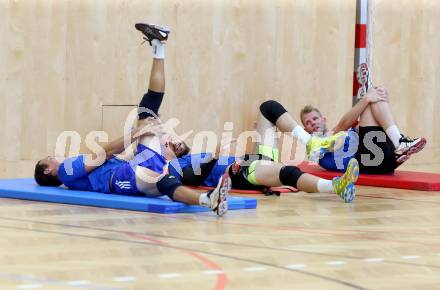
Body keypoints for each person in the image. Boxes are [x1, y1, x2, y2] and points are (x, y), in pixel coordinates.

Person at [33, 23, 230, 216]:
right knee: (162, 179)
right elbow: (105, 153)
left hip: (128, 170)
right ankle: (208, 199)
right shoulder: (66, 170)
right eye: (49, 158)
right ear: (48, 170)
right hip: (119, 179)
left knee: (147, 114)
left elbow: (111, 158)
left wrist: (137, 146)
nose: (53, 155)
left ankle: (158, 44)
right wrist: (136, 133)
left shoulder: (72, 176)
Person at [257, 66, 426, 174]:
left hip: (383, 157)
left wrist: (377, 98)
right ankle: (399, 141)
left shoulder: (345, 133)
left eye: (315, 118)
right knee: (369, 103)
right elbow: (343, 124)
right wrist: (366, 99)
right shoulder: (319, 142)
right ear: (305, 129)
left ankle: (399, 143)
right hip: (369, 161)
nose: (313, 123)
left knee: (376, 95)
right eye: (307, 123)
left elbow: (353, 125)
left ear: (324, 119)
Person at [168, 112, 360, 203]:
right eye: (166, 144)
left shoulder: (195, 154)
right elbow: (192, 179)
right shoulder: (174, 165)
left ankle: (312, 142)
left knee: (267, 110)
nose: (173, 142)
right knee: (287, 172)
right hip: (237, 173)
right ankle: (335, 186)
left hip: (248, 161)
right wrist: (216, 155)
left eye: (171, 137)